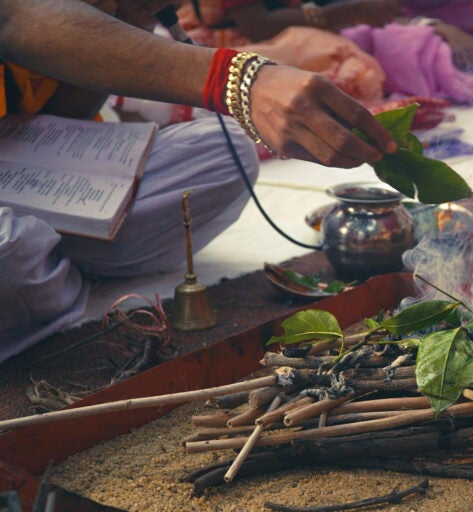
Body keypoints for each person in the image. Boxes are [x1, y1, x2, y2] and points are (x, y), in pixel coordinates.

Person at [0, 0, 396, 363]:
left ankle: (51, 268)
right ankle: (53, 269)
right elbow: (13, 17)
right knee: (13, 252)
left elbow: (58, 120)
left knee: (225, 154)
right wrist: (240, 80)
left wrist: (124, 22)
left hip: (20, 161)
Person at [176, 0, 473, 104]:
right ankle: (448, 60)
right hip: (261, 44)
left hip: (365, 18)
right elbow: (257, 25)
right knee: (389, 52)